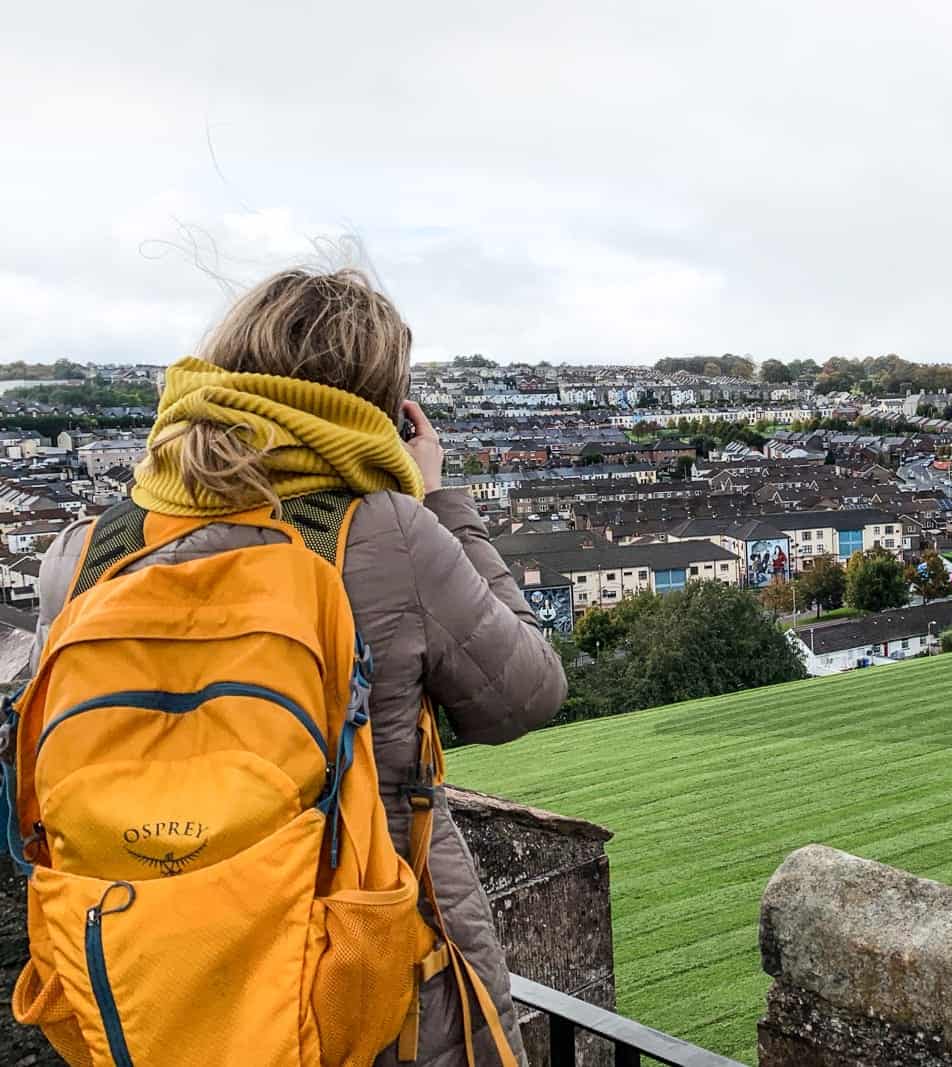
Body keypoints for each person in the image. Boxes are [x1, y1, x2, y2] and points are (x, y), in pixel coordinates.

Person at [29, 266, 566, 1066]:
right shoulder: (385, 530)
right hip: (354, 966)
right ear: (379, 401)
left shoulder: (86, 549)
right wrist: (441, 499)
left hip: (139, 968)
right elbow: (527, 692)